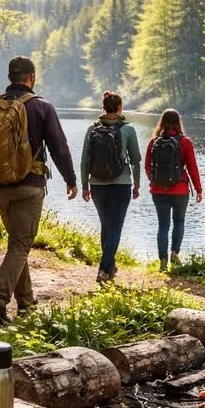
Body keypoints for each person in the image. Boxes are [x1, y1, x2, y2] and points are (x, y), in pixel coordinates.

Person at [0, 56, 77, 324]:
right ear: (32, 78)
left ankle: (27, 304)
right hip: (29, 185)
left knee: (18, 245)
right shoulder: (42, 106)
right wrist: (71, 179)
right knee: (20, 245)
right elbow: (59, 147)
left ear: (9, 79)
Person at [81, 91, 141, 283]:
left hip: (97, 184)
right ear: (120, 108)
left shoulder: (92, 129)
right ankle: (104, 268)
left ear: (103, 108)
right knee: (115, 226)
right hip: (121, 184)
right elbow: (136, 160)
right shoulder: (128, 130)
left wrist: (84, 185)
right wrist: (137, 184)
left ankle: (110, 265)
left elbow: (84, 160)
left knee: (106, 225)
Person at [145, 109, 203, 272]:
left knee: (163, 225)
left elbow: (147, 166)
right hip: (180, 190)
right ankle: (174, 254)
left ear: (161, 122)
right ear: (178, 122)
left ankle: (162, 261)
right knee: (179, 222)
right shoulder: (185, 142)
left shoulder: (154, 141)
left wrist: (153, 181)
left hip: (158, 191)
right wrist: (198, 189)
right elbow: (192, 168)